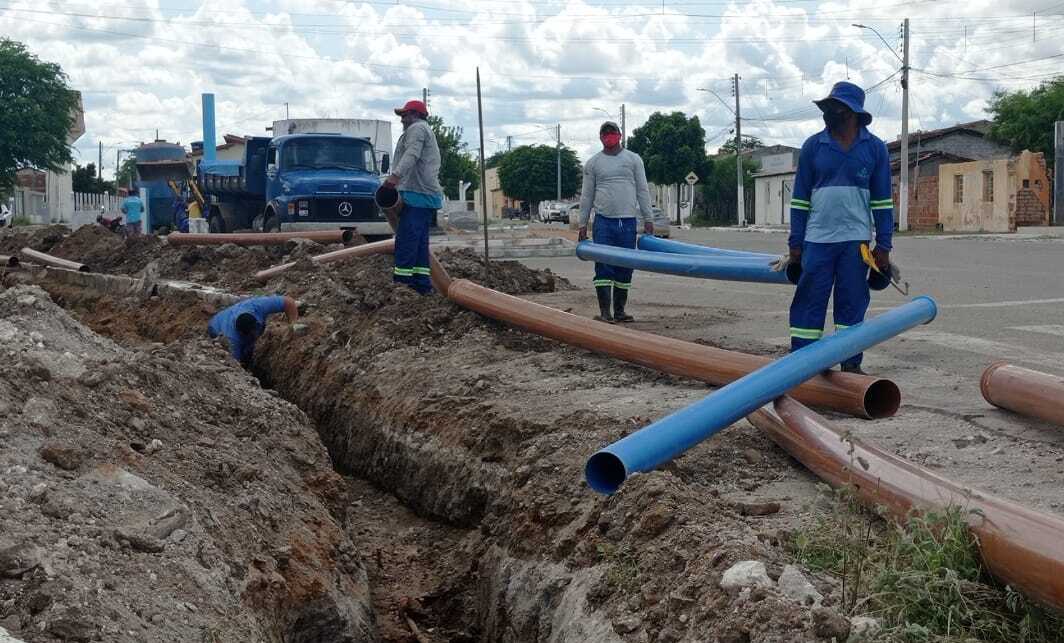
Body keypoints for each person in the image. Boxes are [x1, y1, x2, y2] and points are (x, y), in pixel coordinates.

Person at [787, 81, 894, 375]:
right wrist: (795, 243)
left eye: (835, 108)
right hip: (817, 240)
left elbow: (883, 202)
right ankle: (802, 364)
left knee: (852, 304)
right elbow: (799, 201)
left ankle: (850, 364)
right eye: (827, 107)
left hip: (856, 242)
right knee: (810, 301)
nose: (828, 113)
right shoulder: (813, 147)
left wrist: (884, 246)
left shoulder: (874, 149)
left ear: (852, 113)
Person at [578, 121, 654, 323]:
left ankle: (620, 311)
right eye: (605, 133)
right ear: (600, 137)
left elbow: (642, 190)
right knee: (603, 266)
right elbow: (586, 196)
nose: (609, 136)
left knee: (625, 266)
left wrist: (648, 218)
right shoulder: (593, 163)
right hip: (603, 223)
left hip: (627, 222)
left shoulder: (633, 159)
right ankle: (605, 313)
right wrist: (582, 224)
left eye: (612, 133)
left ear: (620, 136)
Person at [382, 99, 443, 295]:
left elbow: (412, 154)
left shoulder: (417, 129)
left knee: (407, 241)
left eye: (405, 115)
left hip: (418, 194)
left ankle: (402, 286)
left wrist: (394, 177)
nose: (402, 119)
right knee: (418, 243)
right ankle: (421, 285)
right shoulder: (422, 129)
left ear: (415, 115)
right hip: (422, 195)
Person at [207, 295, 300, 368]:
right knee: (243, 356)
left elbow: (289, 302)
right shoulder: (231, 338)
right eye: (251, 334)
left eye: (255, 331)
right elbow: (235, 365)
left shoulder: (257, 306)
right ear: (242, 333)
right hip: (215, 325)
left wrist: (293, 326)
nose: (255, 335)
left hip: (235, 313)